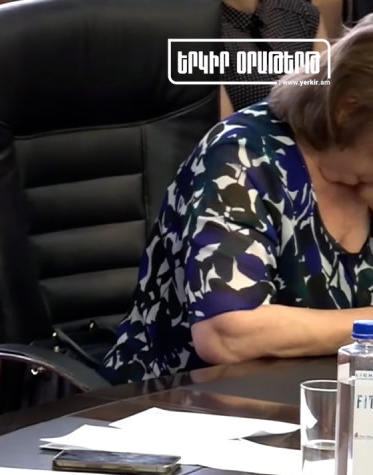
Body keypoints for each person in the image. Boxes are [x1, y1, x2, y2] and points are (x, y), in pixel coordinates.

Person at [102, 17, 373, 382]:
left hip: (326, 398)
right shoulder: (242, 155)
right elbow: (227, 332)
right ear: (347, 110)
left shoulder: (360, 171)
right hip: (182, 400)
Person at [220, 0, 327, 115]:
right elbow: (224, 123)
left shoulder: (303, 14)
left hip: (311, 122)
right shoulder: (209, 32)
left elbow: (326, 97)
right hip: (249, 125)